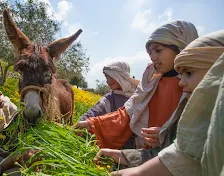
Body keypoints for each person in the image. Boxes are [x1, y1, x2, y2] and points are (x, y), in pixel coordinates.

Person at [108, 30, 224, 176]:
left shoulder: (190, 101)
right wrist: (128, 158)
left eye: (189, 73)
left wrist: (140, 169)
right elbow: (182, 153)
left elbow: (183, 156)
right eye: (150, 53)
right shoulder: (151, 84)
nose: (182, 81)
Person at [76, 20, 198, 150]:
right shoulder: (150, 83)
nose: (153, 57)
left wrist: (166, 135)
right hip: (143, 155)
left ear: (181, 46)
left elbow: (197, 136)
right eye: (150, 53)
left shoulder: (197, 87)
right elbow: (126, 115)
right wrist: (90, 124)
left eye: (158, 50)